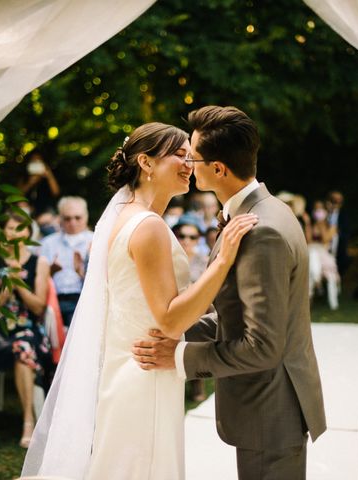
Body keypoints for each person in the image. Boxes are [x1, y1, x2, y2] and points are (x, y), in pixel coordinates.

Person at [22, 121, 257, 479]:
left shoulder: (131, 217)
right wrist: (223, 259)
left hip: (133, 367)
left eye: (191, 156)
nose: (189, 163)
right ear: (145, 163)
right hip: (144, 372)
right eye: (179, 155)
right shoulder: (147, 226)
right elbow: (169, 319)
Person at [132, 106, 326, 480]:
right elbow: (237, 313)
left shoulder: (261, 231)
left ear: (218, 169)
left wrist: (181, 356)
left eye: (192, 157)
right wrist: (176, 330)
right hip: (270, 404)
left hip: (272, 408)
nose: (187, 163)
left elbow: (262, 346)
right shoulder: (268, 209)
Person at [0, 213, 51, 453]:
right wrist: (6, 286)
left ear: (29, 232)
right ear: (4, 232)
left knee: (23, 348)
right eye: (11, 228)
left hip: (28, 326)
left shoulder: (39, 263)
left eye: (21, 229)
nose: (15, 233)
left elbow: (38, 307)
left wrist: (18, 284)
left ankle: (28, 422)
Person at [38, 196, 93, 328]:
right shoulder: (47, 243)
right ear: (60, 219)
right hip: (53, 300)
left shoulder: (96, 240)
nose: (73, 223)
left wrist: (82, 273)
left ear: (86, 216)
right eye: (67, 218)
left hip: (85, 300)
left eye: (77, 218)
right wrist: (50, 271)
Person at [171, 215, 209, 402]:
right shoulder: (167, 258)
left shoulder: (204, 260)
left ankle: (196, 385)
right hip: (172, 308)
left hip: (197, 309)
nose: (186, 241)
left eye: (192, 237)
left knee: (194, 346)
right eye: (182, 236)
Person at [17, 150, 61, 216]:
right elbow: (17, 194)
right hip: (27, 210)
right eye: (33, 161)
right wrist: (29, 183)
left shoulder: (47, 177)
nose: (36, 164)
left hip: (45, 211)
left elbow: (56, 193)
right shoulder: (24, 177)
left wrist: (49, 176)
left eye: (38, 161)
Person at [327, 190, 351, 275]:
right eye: (333, 200)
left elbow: (345, 232)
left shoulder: (344, 215)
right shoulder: (324, 213)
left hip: (338, 245)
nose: (336, 203)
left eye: (338, 201)